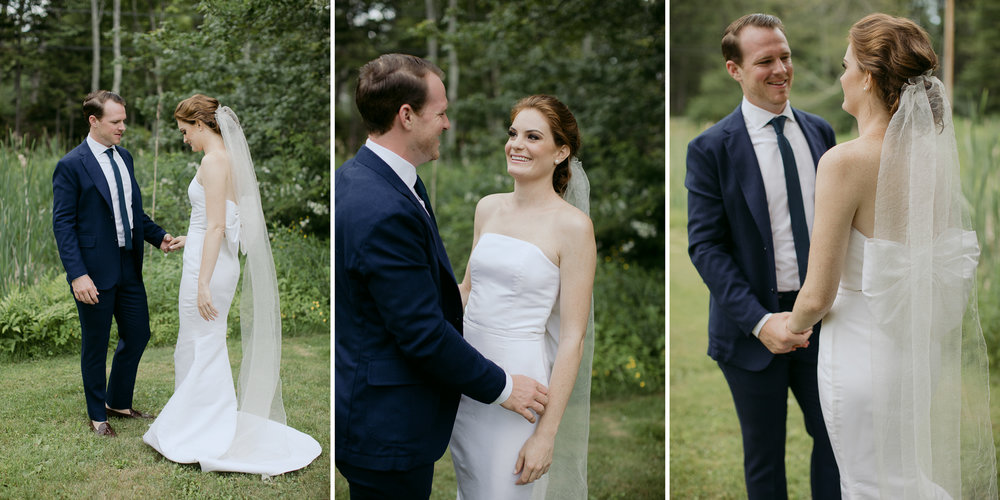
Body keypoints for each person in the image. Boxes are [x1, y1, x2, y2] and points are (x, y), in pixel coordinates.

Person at [785, 13, 997, 498]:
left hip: (859, 358)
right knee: (904, 478)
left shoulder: (844, 162)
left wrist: (788, 327)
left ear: (867, 77)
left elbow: (817, 295)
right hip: (915, 356)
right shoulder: (933, 161)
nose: (841, 76)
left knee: (868, 484)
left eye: (845, 65)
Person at [335, 53, 550, 499]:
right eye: (441, 112)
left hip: (382, 408)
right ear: (407, 116)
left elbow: (409, 295)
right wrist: (504, 388)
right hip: (385, 426)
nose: (448, 123)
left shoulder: (376, 179)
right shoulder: (382, 207)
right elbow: (422, 334)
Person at [685, 13, 841, 499]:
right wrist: (760, 322)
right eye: (765, 61)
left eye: (786, 57)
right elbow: (705, 247)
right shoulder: (709, 148)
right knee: (765, 457)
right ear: (735, 70)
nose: (781, 69)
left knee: (837, 441)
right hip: (750, 332)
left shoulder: (820, 133)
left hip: (824, 320)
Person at [142, 94, 321, 475]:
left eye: (185, 130)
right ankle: (194, 421)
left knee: (202, 342)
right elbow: (219, 222)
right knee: (200, 340)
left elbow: (219, 226)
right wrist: (188, 240)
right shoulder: (230, 161)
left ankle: (204, 429)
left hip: (208, 269)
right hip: (212, 257)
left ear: (202, 125)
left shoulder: (212, 161)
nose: (184, 138)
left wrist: (203, 283)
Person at [449, 95, 596, 499]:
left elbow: (572, 338)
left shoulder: (574, 227)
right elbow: (467, 290)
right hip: (468, 375)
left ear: (560, 152)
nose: (516, 144)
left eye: (533, 136)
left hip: (522, 386)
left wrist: (546, 435)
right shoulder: (488, 208)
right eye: (514, 133)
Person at [52, 90, 174, 438]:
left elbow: (132, 211)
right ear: (94, 121)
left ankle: (117, 402)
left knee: (138, 334)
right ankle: (96, 415)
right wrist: (77, 274)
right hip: (92, 271)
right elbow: (63, 224)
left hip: (128, 264)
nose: (123, 127)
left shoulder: (126, 158)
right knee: (96, 342)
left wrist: (159, 236)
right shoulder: (71, 164)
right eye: (115, 121)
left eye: (124, 120)